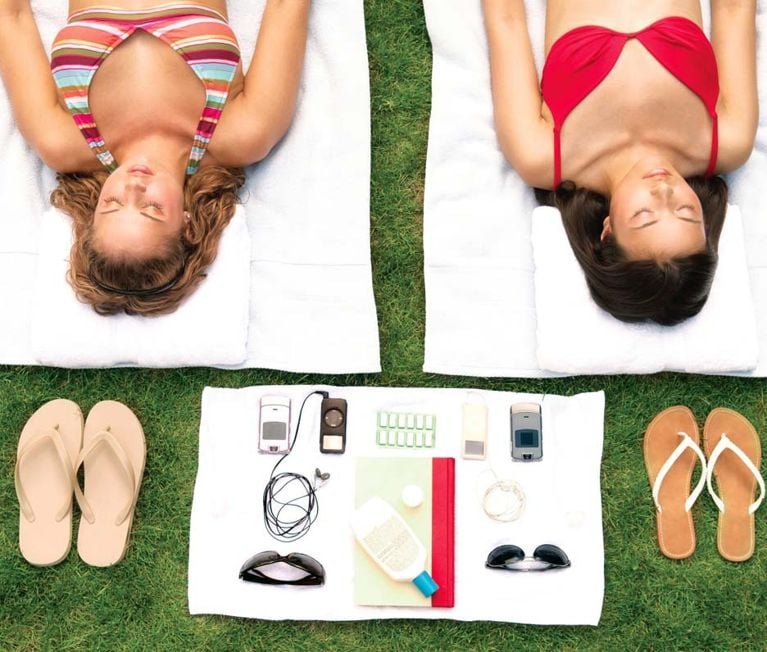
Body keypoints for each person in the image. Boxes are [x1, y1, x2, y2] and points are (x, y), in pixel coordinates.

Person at [0, 0, 311, 315]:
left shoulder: (62, 142)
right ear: (187, 225)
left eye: (112, 204)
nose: (133, 187)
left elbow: (11, 17)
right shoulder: (243, 135)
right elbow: (287, 7)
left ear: (92, 215)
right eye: (152, 208)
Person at [482, 1, 757, 325]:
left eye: (644, 215)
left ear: (607, 231)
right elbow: (734, 10)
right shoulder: (727, 141)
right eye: (686, 212)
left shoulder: (541, 156)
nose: (664, 193)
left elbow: (506, 21)